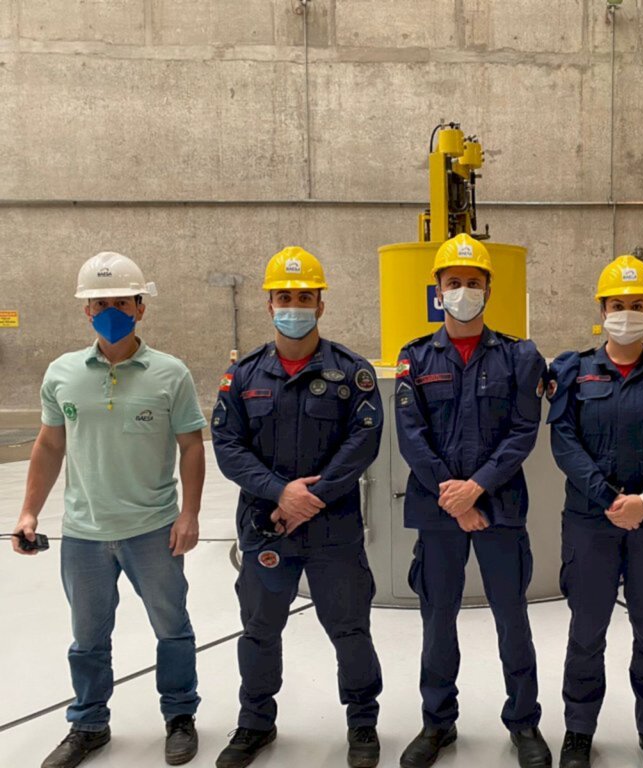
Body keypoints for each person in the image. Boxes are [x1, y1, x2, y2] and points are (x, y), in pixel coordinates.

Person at [11, 251, 206, 768]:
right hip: (84, 534)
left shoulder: (171, 374)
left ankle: (180, 716)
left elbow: (191, 445)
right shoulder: (62, 374)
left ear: (141, 307)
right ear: (85, 311)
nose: (110, 311)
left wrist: (189, 514)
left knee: (173, 629)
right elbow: (49, 445)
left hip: (153, 529)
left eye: (120, 301)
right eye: (99, 304)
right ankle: (89, 724)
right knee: (87, 638)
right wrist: (29, 512)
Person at [211, 246, 384, 768]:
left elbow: (364, 441)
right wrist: (279, 492)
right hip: (267, 527)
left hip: (333, 530)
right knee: (260, 630)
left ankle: (362, 724)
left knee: (350, 629)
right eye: (284, 296)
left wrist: (312, 497)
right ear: (268, 304)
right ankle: (255, 723)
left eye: (304, 296)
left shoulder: (351, 372)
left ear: (320, 304)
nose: (294, 305)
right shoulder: (242, 377)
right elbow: (227, 447)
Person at [394, 233, 551, 768]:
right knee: (438, 620)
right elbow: (411, 435)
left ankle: (524, 723)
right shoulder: (414, 357)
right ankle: (437, 723)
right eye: (453, 283)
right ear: (438, 290)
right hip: (439, 513)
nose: (463, 291)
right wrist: (454, 498)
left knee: (512, 618)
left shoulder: (520, 356)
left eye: (473, 283)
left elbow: (523, 432)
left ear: (489, 289)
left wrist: (477, 487)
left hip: (499, 509)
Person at [546, 255, 643, 768]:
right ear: (602, 309)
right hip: (593, 523)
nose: (627, 313)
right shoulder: (576, 371)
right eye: (618, 305)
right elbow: (564, 440)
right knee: (586, 631)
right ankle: (578, 731)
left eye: (637, 305)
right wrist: (608, 498)